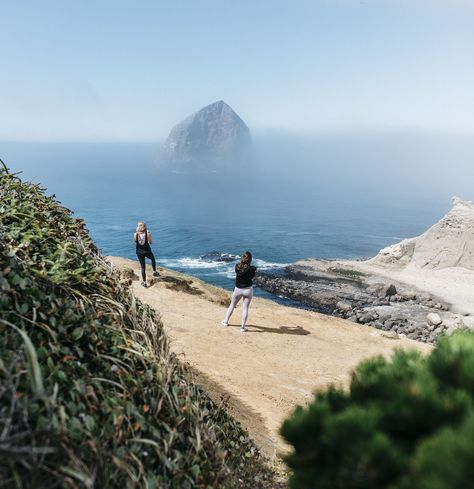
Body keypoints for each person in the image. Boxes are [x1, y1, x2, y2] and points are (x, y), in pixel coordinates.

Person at [221, 251, 256, 333]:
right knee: (245, 308)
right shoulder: (253, 269)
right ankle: (243, 327)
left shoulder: (237, 266)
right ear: (250, 260)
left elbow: (241, 272)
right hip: (248, 290)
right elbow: (252, 277)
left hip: (238, 289)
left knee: (232, 305)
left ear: (242, 258)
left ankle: (226, 321)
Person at [134, 221, 159, 287]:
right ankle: (154, 272)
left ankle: (144, 282)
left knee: (143, 267)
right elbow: (150, 242)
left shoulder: (135, 234)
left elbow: (135, 241)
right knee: (153, 259)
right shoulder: (148, 233)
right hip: (147, 251)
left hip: (139, 252)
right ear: (145, 227)